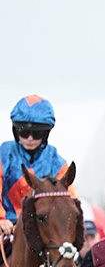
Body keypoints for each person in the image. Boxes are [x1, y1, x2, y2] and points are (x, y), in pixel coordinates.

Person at [0, 95, 72, 237]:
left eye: (37, 133)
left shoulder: (58, 163)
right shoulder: (4, 154)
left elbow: (69, 201)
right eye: (24, 132)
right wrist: (1, 219)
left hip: (44, 230)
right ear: (16, 131)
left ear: (46, 134)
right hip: (7, 227)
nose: (30, 138)